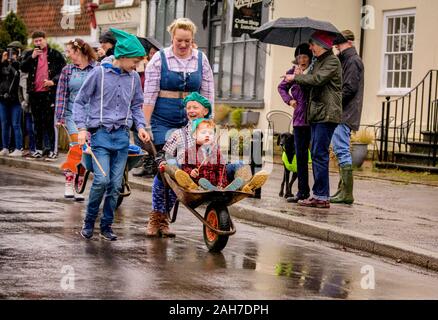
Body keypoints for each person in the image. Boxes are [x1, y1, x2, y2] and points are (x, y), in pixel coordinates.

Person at [73, 28, 149, 241]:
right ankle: (88, 222)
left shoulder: (133, 78)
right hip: (100, 136)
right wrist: (81, 128)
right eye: (135, 61)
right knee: (101, 180)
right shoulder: (99, 73)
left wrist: (141, 126)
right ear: (123, 57)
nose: (137, 66)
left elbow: (136, 105)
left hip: (122, 137)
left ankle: (106, 226)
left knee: (116, 185)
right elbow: (80, 101)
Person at [143, 17, 215, 237]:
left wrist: (208, 125)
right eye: (179, 41)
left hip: (191, 122)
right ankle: (158, 216)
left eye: (187, 41)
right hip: (162, 120)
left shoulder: (201, 60)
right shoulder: (159, 59)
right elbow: (149, 94)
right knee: (168, 167)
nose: (183, 45)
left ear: (192, 39)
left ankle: (162, 216)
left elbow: (208, 94)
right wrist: (144, 125)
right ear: (172, 38)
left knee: (183, 169)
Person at [286, 30, 342, 209]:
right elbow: (311, 81)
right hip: (318, 113)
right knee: (318, 153)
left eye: (312, 44)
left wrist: (296, 77)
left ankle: (321, 196)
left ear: (322, 45)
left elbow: (317, 80)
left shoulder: (332, 61)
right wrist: (300, 75)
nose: (310, 48)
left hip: (327, 113)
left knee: (319, 153)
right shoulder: (320, 62)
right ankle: (319, 195)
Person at [55, 38, 97, 200]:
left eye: (70, 52)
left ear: (78, 51)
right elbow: (61, 94)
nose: (68, 55)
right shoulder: (68, 70)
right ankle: (69, 181)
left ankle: (80, 179)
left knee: (85, 150)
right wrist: (59, 116)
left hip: (91, 117)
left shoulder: (96, 69)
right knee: (76, 147)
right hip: (72, 114)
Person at [20, 30, 66, 160]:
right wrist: (32, 57)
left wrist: (53, 81)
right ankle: (39, 149)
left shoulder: (55, 54)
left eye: (40, 40)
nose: (38, 43)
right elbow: (22, 68)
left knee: (49, 123)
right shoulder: (30, 54)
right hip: (35, 94)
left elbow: (63, 71)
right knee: (37, 123)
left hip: (49, 94)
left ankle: (52, 150)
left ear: (45, 39)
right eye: (36, 41)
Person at [331, 30, 364, 204]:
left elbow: (349, 88)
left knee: (342, 150)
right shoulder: (346, 60)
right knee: (339, 149)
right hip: (344, 112)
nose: (337, 47)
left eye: (340, 44)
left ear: (349, 43)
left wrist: (333, 102)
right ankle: (342, 191)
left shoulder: (352, 61)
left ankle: (346, 194)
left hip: (345, 113)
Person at [166, 118, 245, 191]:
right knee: (201, 181)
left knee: (226, 171)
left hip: (214, 184)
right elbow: (185, 166)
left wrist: (221, 184)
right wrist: (191, 171)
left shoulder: (216, 152)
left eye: (210, 133)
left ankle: (226, 189)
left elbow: (221, 170)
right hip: (198, 183)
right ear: (194, 135)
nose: (207, 135)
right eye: (203, 132)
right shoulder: (190, 151)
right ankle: (206, 188)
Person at [278, 43, 313, 203]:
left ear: (310, 58)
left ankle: (319, 193)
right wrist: (289, 100)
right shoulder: (292, 72)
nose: (302, 60)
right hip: (299, 121)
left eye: (305, 57)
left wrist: (301, 77)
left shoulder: (313, 71)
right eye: (299, 57)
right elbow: (281, 88)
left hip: (314, 119)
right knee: (300, 156)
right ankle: (302, 191)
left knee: (316, 156)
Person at [0, 44, 22, 157]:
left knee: (15, 124)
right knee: (4, 124)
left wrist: (13, 62)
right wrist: (2, 61)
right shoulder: (2, 65)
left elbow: (18, 76)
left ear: (17, 55)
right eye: (8, 53)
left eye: (13, 54)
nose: (10, 56)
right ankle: (5, 147)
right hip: (3, 99)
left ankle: (18, 148)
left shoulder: (18, 65)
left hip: (15, 100)